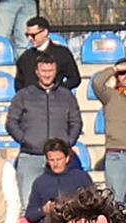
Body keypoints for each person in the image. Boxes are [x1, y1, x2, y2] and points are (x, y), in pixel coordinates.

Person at [5, 53, 79, 209]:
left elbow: (76, 122)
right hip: (30, 156)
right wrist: (26, 140)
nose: (47, 74)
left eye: (50, 70)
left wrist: (66, 144)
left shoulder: (67, 96)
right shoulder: (23, 96)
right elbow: (11, 122)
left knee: (64, 205)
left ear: (56, 71)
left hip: (59, 159)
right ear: (37, 72)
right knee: (28, 204)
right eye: (43, 71)